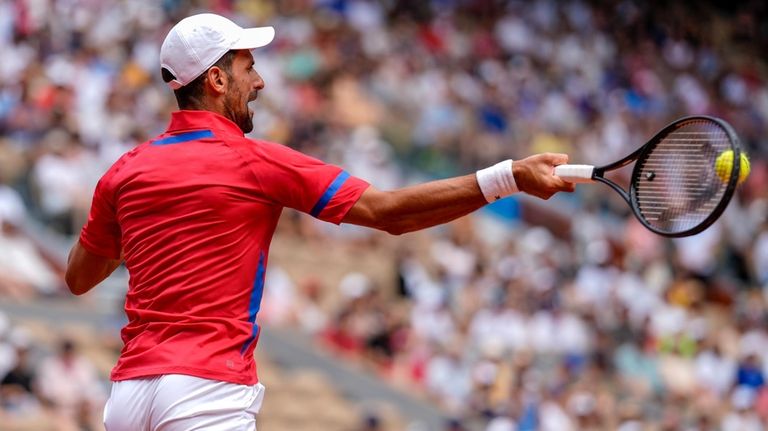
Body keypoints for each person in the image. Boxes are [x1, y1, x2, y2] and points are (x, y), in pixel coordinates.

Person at [64, 13, 574, 431]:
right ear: (217, 81)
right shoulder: (256, 161)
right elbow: (389, 213)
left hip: (129, 397)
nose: (259, 81)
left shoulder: (125, 170)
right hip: (207, 389)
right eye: (248, 68)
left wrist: (161, 227)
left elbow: (80, 278)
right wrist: (509, 177)